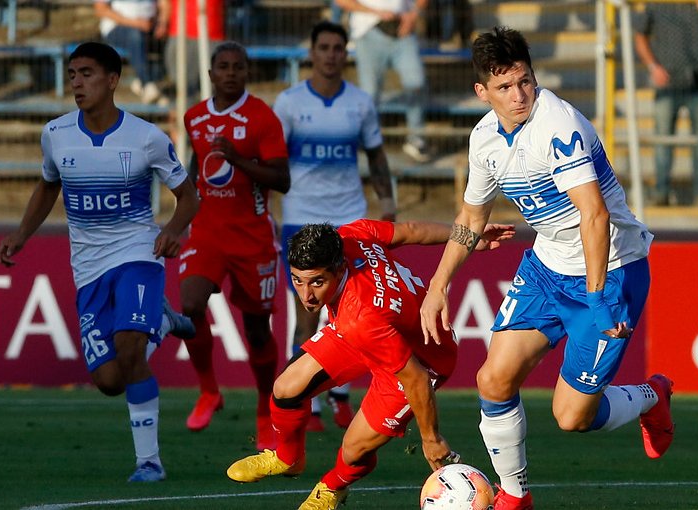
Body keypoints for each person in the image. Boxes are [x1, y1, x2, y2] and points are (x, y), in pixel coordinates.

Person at [419, 27, 675, 510]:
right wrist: (438, 285)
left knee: (572, 417)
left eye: (525, 81)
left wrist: (598, 301)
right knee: (492, 380)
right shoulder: (484, 140)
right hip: (546, 268)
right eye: (504, 87)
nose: (519, 96)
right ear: (482, 92)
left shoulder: (558, 125)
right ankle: (515, 497)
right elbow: (472, 217)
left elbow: (594, 216)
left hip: (612, 270)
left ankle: (652, 396)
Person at [0, 42, 200, 482]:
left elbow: (188, 196)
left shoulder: (146, 137)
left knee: (130, 347)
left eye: (86, 73)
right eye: (72, 74)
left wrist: (171, 231)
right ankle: (163, 323)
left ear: (112, 80)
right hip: (88, 267)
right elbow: (48, 185)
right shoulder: (56, 134)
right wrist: (21, 234)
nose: (77, 82)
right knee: (110, 379)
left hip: (137, 254)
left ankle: (150, 463)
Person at [226, 219, 515, 510]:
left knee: (354, 449)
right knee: (286, 388)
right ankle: (288, 459)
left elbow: (415, 378)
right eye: (297, 280)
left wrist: (431, 438)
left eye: (317, 282)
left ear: (339, 270)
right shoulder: (350, 235)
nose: (306, 295)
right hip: (372, 331)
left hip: (422, 359)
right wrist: (468, 236)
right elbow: (412, 230)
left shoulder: (361, 317)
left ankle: (331, 488)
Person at [273, 20, 397, 432]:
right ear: (312, 53)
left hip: (348, 220)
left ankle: (341, 398)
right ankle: (305, 407)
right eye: (323, 47)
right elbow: (274, 162)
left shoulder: (360, 103)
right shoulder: (288, 103)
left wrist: (388, 203)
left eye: (337, 48)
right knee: (306, 316)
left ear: (346, 53)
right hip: (300, 217)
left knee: (355, 314)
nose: (330, 54)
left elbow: (376, 157)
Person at [178, 41, 290, 452]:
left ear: (246, 73)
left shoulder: (262, 117)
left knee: (257, 331)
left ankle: (265, 409)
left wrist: (238, 159)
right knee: (189, 307)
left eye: (237, 67)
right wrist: (179, 223)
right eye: (222, 67)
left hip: (253, 238)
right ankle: (209, 390)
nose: (230, 73)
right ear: (210, 74)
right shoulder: (195, 117)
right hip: (207, 232)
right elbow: (195, 170)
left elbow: (281, 179)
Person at [633, 1, 698, 206]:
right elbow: (640, 36)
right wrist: (653, 67)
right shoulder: (656, 4)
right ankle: (661, 192)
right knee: (663, 141)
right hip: (668, 84)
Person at [334, 0, 431, 163]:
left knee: (416, 83)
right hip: (369, 32)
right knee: (370, 92)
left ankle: (416, 139)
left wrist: (413, 15)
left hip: (403, 30)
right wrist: (375, 13)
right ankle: (368, 140)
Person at [94, 0, 169, 104]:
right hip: (117, 28)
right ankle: (147, 84)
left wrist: (162, 23)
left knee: (171, 46)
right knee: (135, 36)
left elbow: (163, 4)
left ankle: (142, 80)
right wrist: (135, 23)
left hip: (149, 29)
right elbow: (100, 10)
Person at [160, 0, 226, 107]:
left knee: (212, 87)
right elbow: (165, 3)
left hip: (212, 34)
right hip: (180, 34)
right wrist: (163, 22)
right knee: (182, 87)